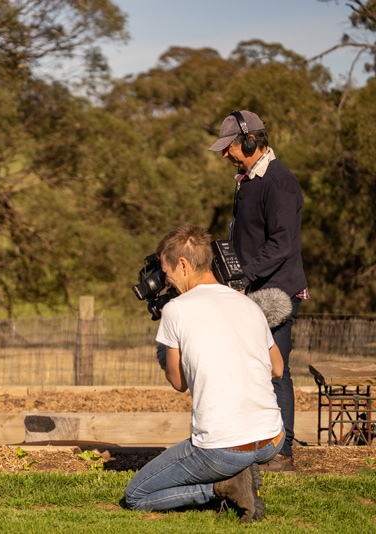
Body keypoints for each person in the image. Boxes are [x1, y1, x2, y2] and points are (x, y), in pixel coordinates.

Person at [124, 225, 284, 524]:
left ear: (182, 265)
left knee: (136, 496)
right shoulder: (247, 304)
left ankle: (223, 486)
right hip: (271, 439)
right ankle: (240, 471)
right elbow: (277, 368)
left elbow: (178, 383)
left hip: (223, 450)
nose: (165, 279)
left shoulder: (176, 310)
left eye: (165, 270)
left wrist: (166, 350)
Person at [208, 110, 308, 473]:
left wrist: (243, 277)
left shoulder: (278, 182)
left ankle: (283, 453)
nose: (225, 155)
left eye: (230, 147)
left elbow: (281, 245)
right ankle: (258, 444)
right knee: (253, 369)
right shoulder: (250, 179)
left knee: (275, 370)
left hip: (276, 294)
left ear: (250, 142)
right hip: (252, 290)